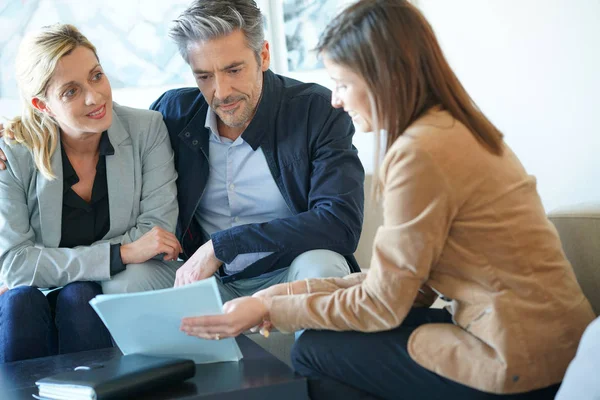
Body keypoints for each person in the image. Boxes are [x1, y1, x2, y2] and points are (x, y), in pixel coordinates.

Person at [178, 1, 596, 399]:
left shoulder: (420, 154)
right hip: (551, 344)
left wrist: (270, 311)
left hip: (518, 358)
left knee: (313, 349)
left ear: (385, 77)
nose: (336, 99)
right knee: (327, 337)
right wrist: (271, 300)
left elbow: (382, 304)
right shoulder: (451, 128)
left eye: (342, 83)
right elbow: (401, 285)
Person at [150, 0, 364, 301]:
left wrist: (223, 244)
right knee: (132, 278)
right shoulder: (173, 113)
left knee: (323, 265)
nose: (221, 92)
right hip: (206, 282)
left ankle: (317, 350)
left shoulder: (316, 111)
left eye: (234, 70)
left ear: (263, 55)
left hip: (289, 275)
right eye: (204, 76)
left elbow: (340, 223)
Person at [0, 24, 180, 362]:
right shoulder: (13, 151)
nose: (94, 97)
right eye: (70, 91)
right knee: (18, 302)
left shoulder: (147, 130)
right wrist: (120, 253)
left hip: (95, 294)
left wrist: (51, 263)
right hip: (31, 297)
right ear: (43, 104)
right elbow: (16, 265)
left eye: (97, 76)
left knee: (79, 298)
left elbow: (156, 232)